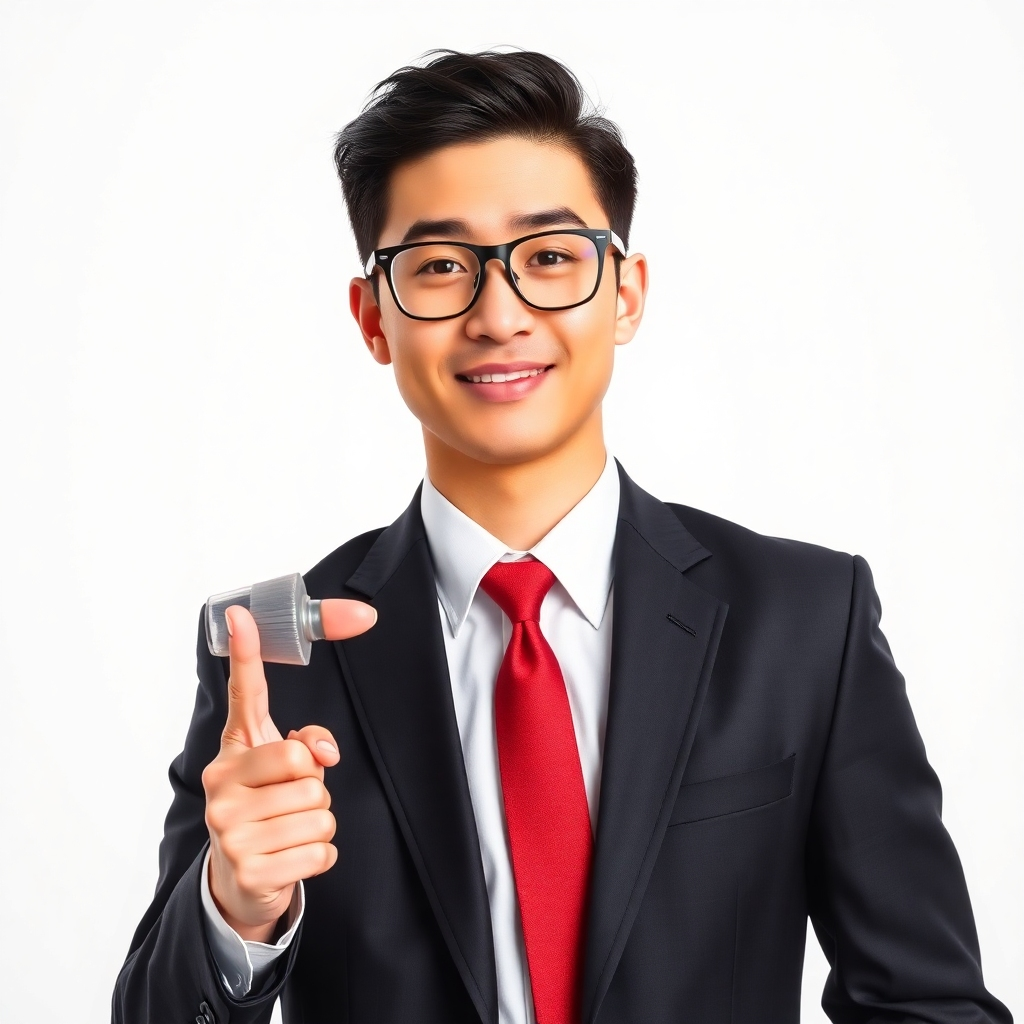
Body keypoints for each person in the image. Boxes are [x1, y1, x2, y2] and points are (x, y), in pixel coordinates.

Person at [112, 50, 1011, 1024]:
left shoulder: (803, 623)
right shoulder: (276, 653)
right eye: (440, 267)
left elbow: (930, 1004)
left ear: (625, 292)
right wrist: (235, 910)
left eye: (548, 257)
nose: (499, 316)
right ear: (373, 318)